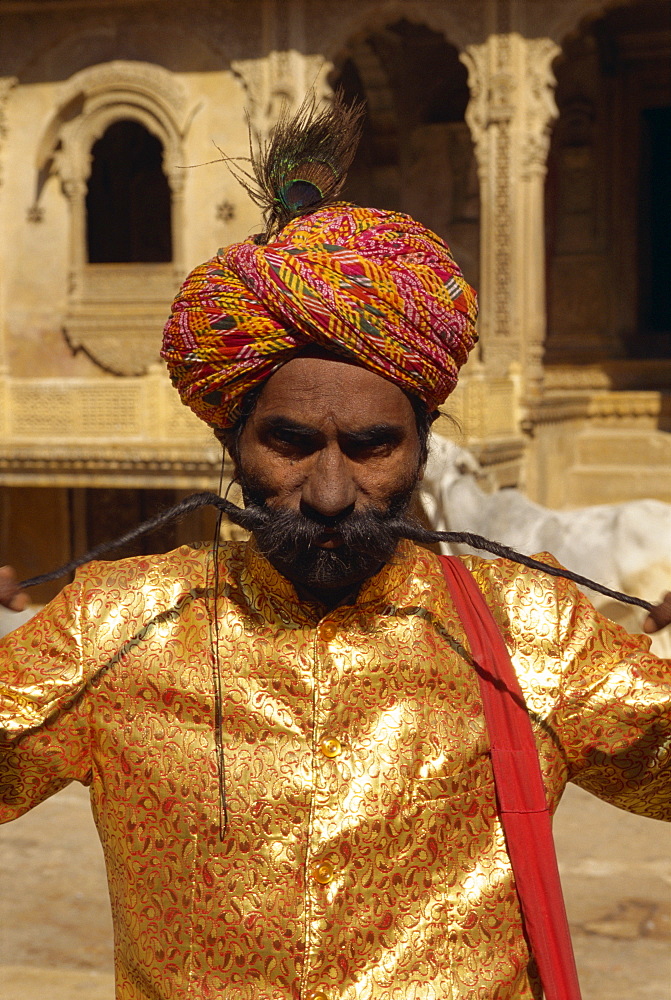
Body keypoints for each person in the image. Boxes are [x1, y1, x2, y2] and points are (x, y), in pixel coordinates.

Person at [1, 95, 670, 1000]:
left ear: (422, 444)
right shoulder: (117, 627)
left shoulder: (531, 629)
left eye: (369, 448)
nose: (326, 493)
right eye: (287, 443)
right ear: (232, 443)